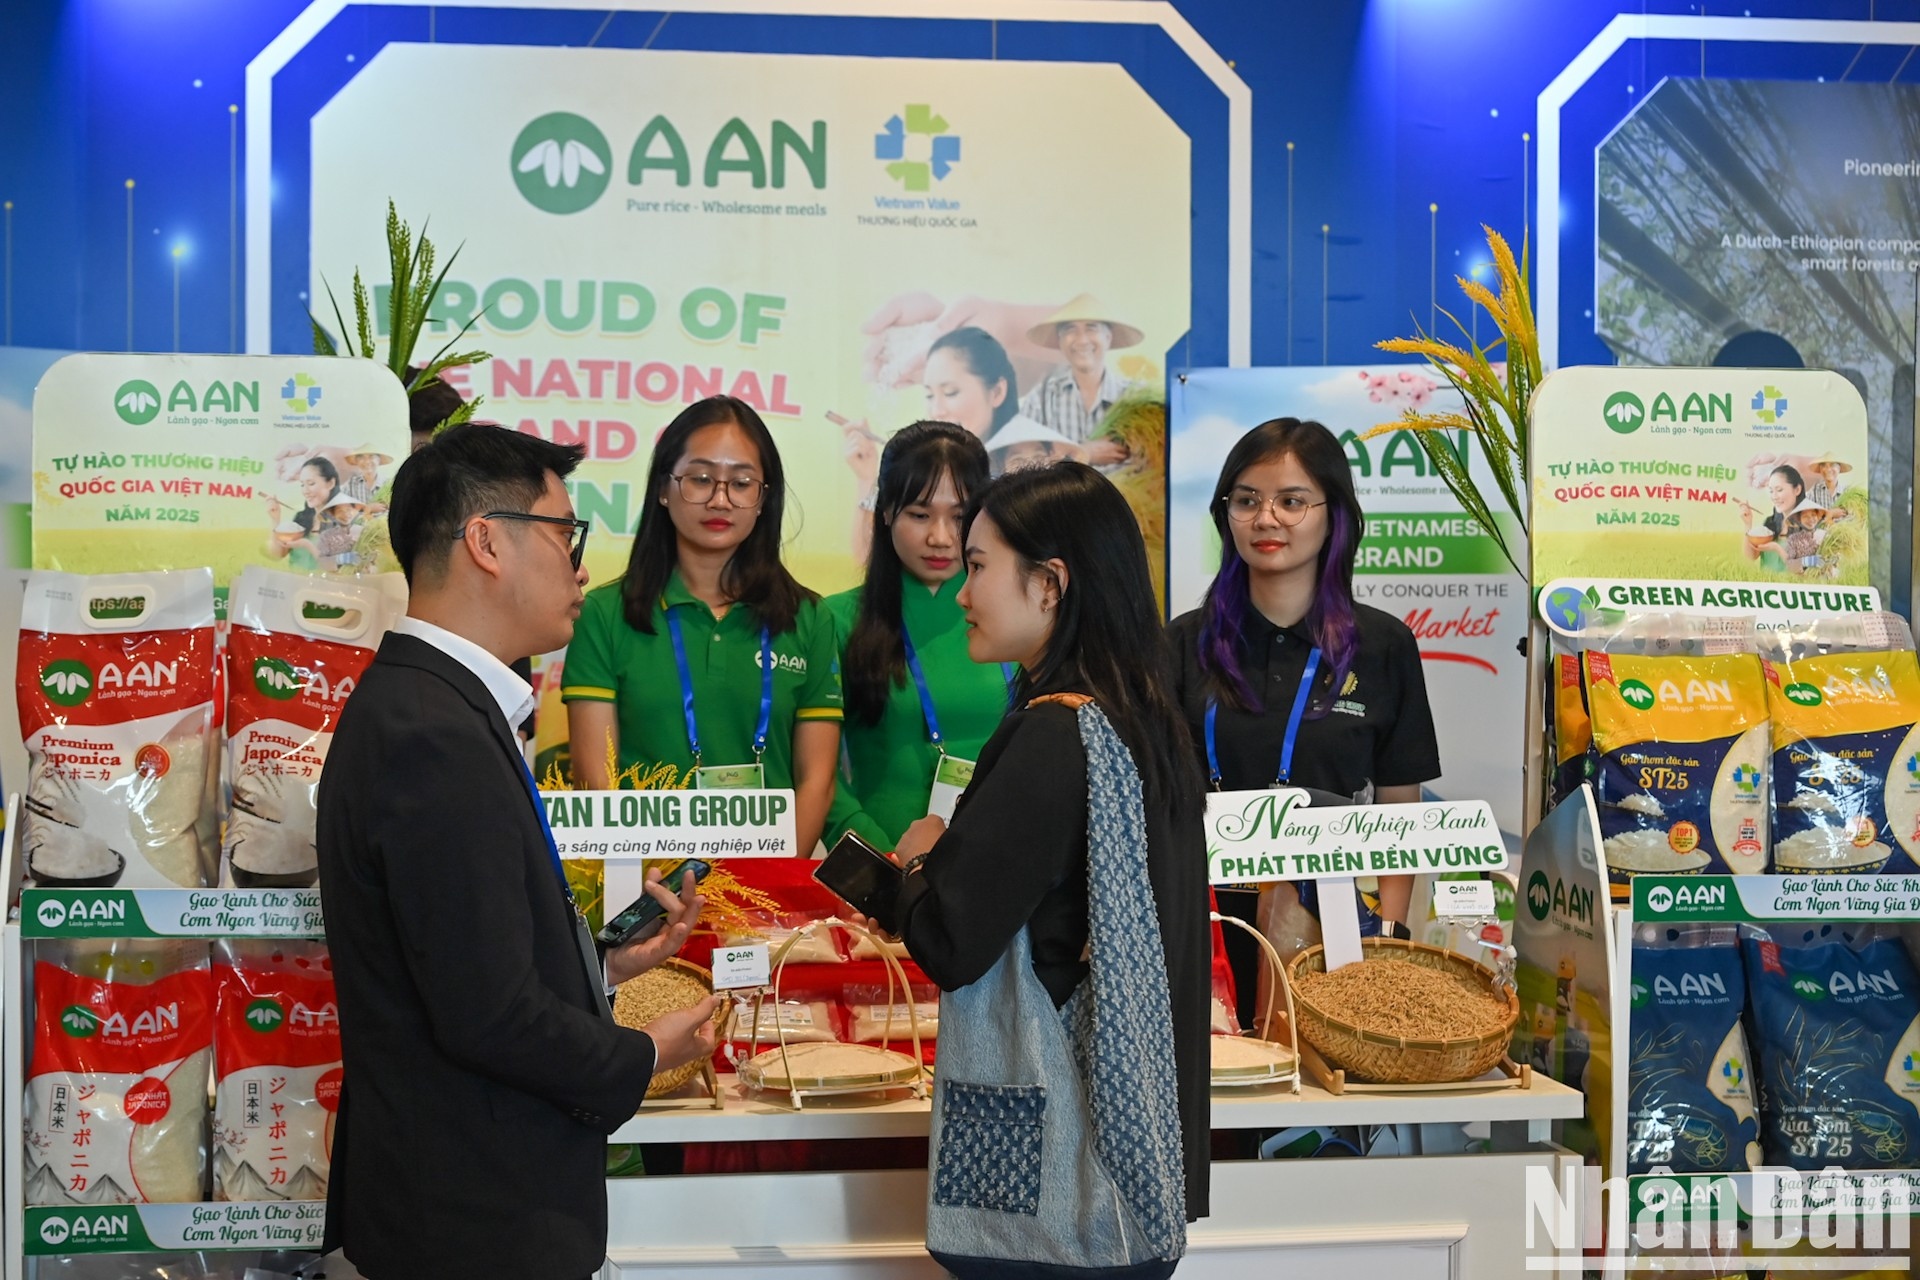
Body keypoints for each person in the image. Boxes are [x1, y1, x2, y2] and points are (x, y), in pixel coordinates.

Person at [315, 423, 719, 1280]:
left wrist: (601, 967)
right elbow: (488, 1015)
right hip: (470, 1220)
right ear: (487, 542)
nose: (581, 568)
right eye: (566, 532)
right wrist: (646, 1053)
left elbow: (460, 959)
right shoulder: (431, 731)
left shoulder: (438, 706)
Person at [860, 462, 1209, 1272]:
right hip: (1139, 1168)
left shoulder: (1053, 735)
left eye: (979, 567)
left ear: (1050, 584)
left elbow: (952, 943)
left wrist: (918, 860)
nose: (962, 594)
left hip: (1062, 1189)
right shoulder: (1145, 718)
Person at [1167, 419, 1439, 1020]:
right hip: (1197, 924)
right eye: (1246, 501)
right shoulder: (1181, 644)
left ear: (1332, 515)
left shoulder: (1383, 645)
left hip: (1330, 930)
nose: (1266, 519)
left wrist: (1389, 936)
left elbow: (1399, 807)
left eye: (1291, 502)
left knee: (1316, 1071)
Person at [564, 395, 842, 853]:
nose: (720, 499)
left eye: (742, 483)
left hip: (768, 883)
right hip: (645, 879)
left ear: (763, 497)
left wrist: (769, 884)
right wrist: (649, 884)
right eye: (700, 479)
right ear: (663, 488)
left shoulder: (810, 618)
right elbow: (597, 782)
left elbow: (817, 780)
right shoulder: (603, 613)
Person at [826, 422, 1006, 850]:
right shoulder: (834, 620)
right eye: (920, 515)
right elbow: (818, 773)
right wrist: (879, 858)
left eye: (959, 517)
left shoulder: (1016, 616)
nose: (940, 538)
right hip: (885, 861)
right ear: (886, 510)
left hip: (1003, 863)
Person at [1019, 294, 1144, 465]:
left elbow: (1152, 462)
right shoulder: (1040, 399)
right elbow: (1025, 465)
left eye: (1091, 328)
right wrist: (1083, 454)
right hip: (1062, 484)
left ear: (1108, 338)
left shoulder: (1135, 397)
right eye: (1070, 330)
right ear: (1060, 341)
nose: (1082, 340)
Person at [263, 454, 342, 563]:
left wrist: (307, 544)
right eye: (302, 485)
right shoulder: (301, 518)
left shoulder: (345, 520)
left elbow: (337, 565)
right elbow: (278, 554)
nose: (305, 491)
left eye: (311, 483)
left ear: (330, 483)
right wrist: (275, 519)